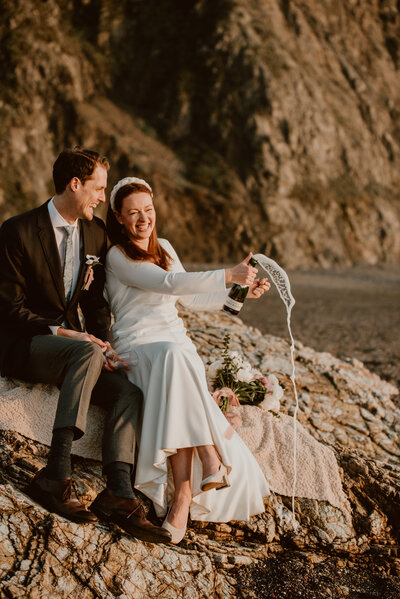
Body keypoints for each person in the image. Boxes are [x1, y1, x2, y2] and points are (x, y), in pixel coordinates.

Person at [0, 149, 171, 544]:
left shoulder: (95, 234)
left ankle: (118, 493)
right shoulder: (17, 230)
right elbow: (8, 309)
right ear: (74, 184)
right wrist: (66, 334)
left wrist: (106, 345)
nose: (101, 197)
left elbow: (96, 305)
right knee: (86, 351)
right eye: (98, 188)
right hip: (26, 345)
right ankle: (55, 474)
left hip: (80, 349)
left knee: (128, 391)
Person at [105, 176, 271, 543]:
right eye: (133, 213)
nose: (142, 219)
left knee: (179, 356)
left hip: (173, 347)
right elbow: (169, 285)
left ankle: (182, 495)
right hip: (137, 346)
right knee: (175, 357)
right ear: (118, 217)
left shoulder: (163, 246)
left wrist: (240, 289)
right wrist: (229, 272)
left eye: (147, 210)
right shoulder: (118, 256)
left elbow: (192, 300)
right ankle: (209, 457)